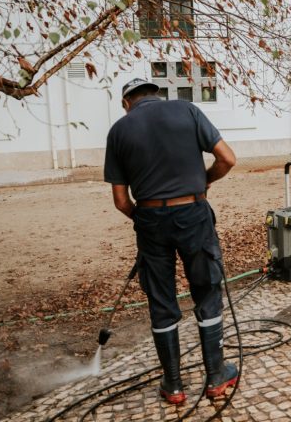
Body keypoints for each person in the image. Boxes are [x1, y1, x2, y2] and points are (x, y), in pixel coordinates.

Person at [104, 78, 239, 404]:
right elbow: (228, 159)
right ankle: (216, 377)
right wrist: (201, 183)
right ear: (157, 95)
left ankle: (174, 385)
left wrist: (145, 218)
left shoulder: (119, 131)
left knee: (161, 301)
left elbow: (121, 201)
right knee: (206, 291)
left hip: (151, 220)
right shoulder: (187, 111)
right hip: (193, 214)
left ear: (126, 103)